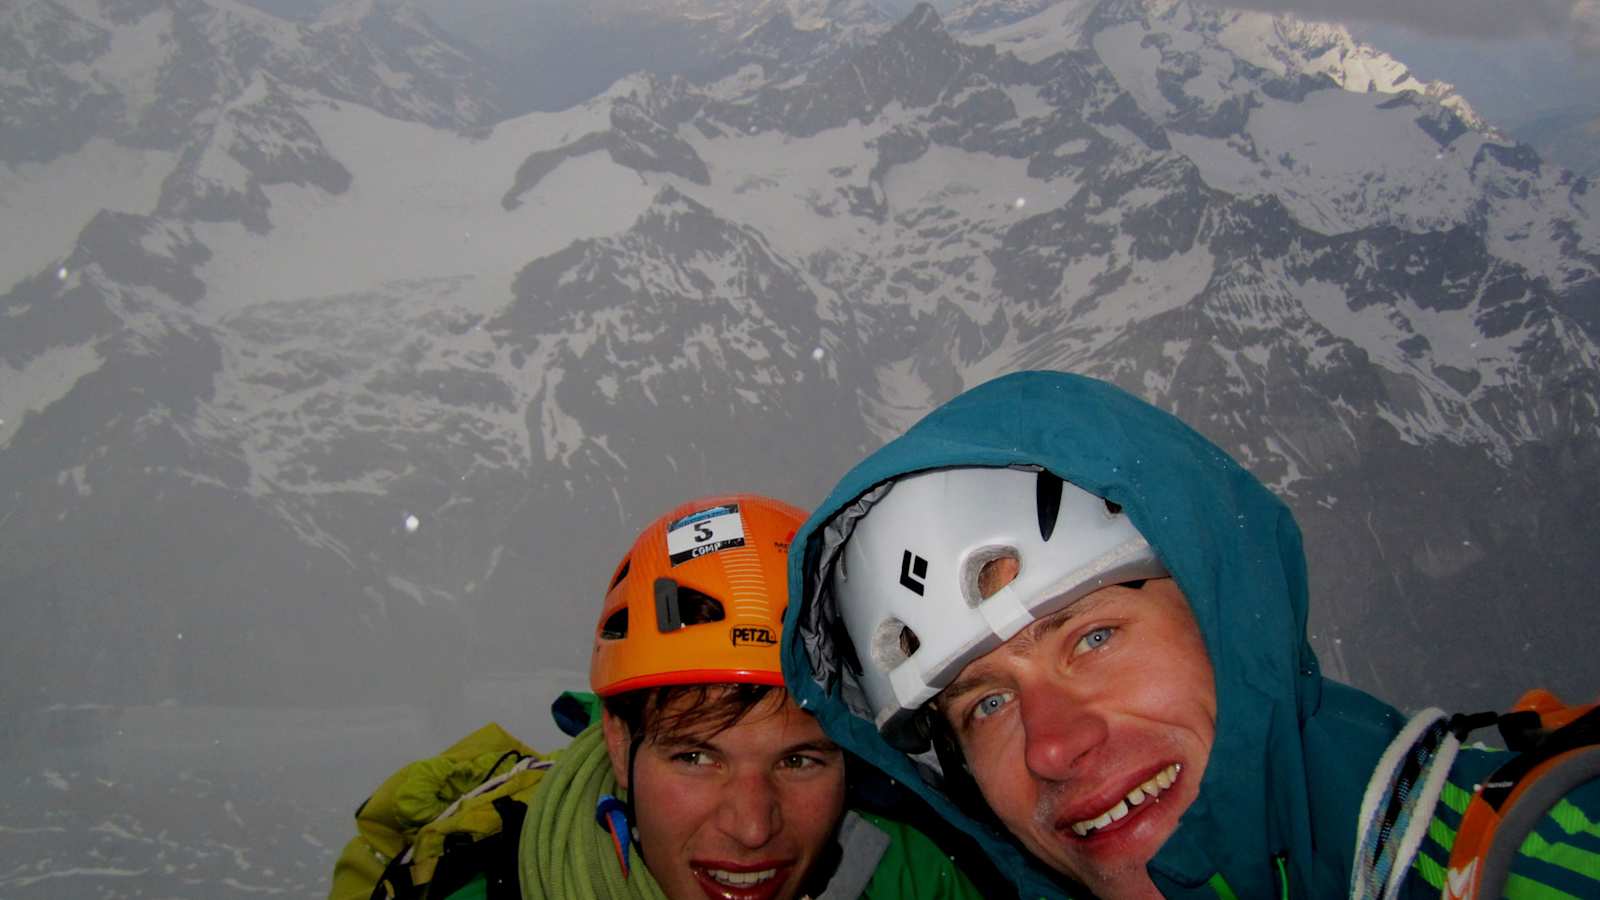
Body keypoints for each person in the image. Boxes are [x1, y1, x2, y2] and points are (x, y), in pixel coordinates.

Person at [779, 371, 1600, 899]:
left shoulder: (1546, 851)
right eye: (986, 704)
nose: (1051, 749)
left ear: (1226, 619)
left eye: (1093, 638)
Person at [331, 494, 990, 900]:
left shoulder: (912, 872)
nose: (753, 827)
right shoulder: (483, 883)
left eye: (801, 761)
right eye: (696, 758)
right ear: (620, 745)